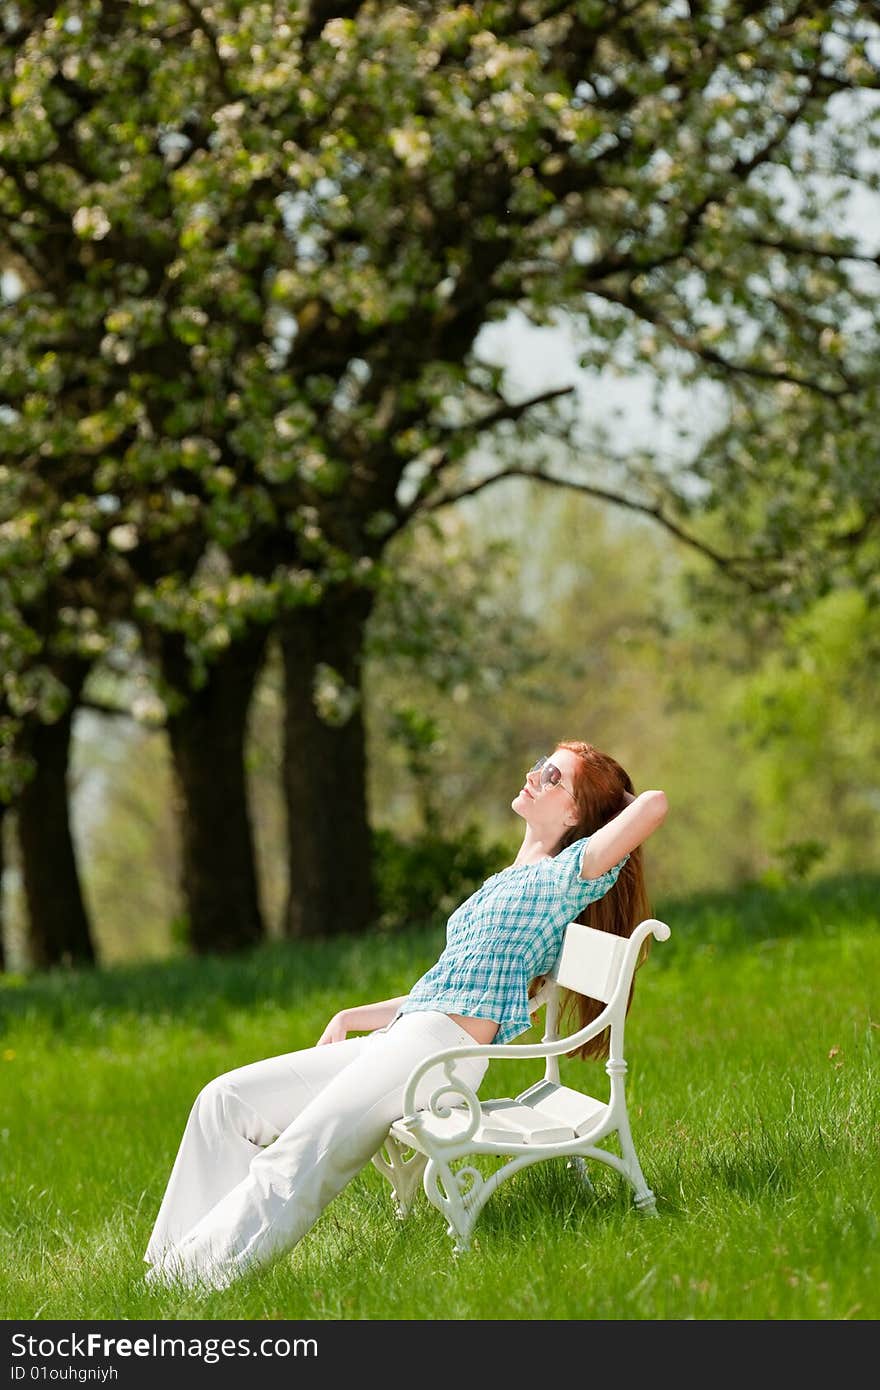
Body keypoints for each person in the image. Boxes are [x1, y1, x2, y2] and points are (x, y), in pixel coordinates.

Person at [143, 740, 668, 1292]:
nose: (533, 776)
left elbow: (652, 805)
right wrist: (356, 1014)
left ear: (576, 813)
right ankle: (167, 1266)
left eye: (552, 776)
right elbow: (445, 982)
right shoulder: (505, 882)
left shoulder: (568, 877)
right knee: (224, 1101)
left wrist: (611, 799)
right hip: (406, 1035)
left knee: (306, 1149)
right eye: (539, 764)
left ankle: (193, 1285)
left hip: (439, 1054)